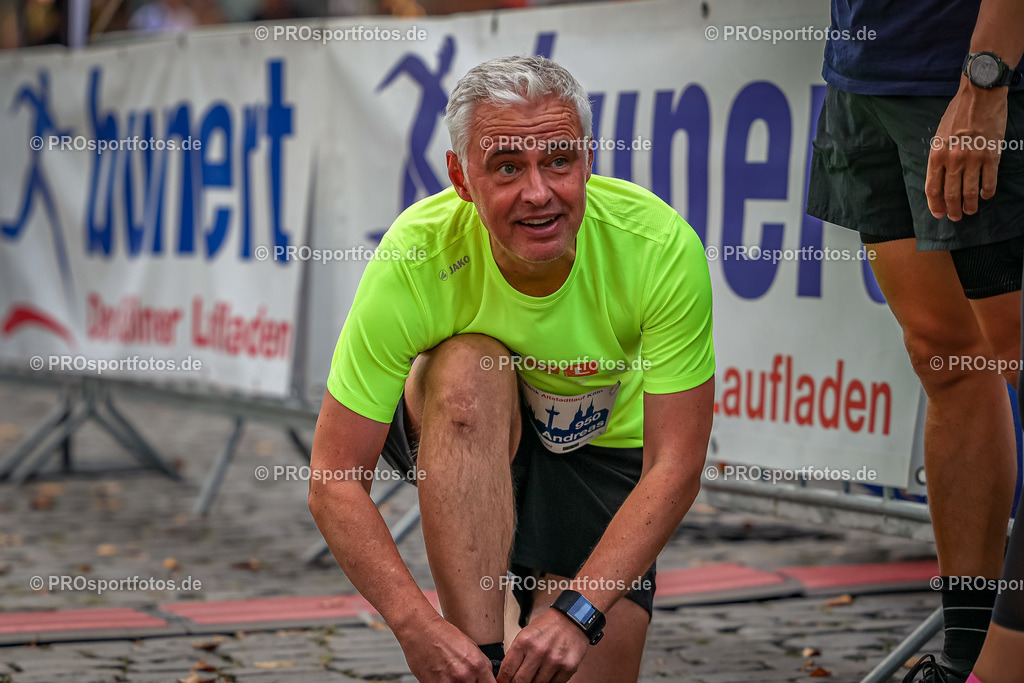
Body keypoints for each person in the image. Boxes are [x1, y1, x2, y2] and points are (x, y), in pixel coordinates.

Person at [308, 56, 715, 682]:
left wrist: (578, 613)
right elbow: (334, 477)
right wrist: (420, 629)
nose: (538, 192)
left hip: (601, 454)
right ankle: (479, 656)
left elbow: (676, 463)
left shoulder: (658, 247)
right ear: (461, 178)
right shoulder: (418, 252)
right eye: (506, 167)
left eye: (559, 160)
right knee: (468, 365)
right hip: (467, 421)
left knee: (571, 665)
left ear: (586, 160)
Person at [806, 2, 1024, 682]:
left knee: (1013, 351)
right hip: (865, 76)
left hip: (963, 77)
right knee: (945, 357)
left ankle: (1005, 661)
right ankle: (965, 654)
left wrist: (984, 80)